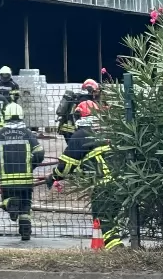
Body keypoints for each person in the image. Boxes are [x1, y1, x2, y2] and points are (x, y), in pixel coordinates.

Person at [46, 100, 122, 250]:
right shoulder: (107, 131)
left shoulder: (81, 135)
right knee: (111, 216)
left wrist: (54, 176)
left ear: (78, 117)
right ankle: (116, 245)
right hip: (121, 183)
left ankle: (115, 248)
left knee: (102, 216)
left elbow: (67, 165)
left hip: (103, 184)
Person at [0, 102, 45, 241]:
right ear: (21, 115)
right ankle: (25, 233)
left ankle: (11, 205)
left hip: (7, 179)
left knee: (7, 199)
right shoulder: (27, 133)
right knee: (26, 206)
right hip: (26, 179)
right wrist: (30, 165)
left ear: (5, 115)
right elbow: (39, 152)